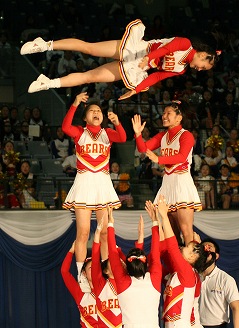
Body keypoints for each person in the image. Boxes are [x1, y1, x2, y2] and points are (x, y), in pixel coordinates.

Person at [20, 19, 220, 97]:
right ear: (203, 55)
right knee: (89, 49)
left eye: (203, 71)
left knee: (89, 77)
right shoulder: (185, 44)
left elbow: (156, 77)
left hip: (137, 67)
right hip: (136, 50)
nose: (200, 70)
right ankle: (44, 44)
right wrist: (149, 57)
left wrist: (136, 90)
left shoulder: (182, 69)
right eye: (203, 66)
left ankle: (48, 83)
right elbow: (167, 47)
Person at [61, 92, 126, 262]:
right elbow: (65, 127)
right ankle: (81, 273)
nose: (96, 112)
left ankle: (105, 269)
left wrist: (117, 123)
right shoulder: (79, 132)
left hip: (102, 183)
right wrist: (75, 102)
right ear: (85, 117)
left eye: (99, 110)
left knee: (104, 231)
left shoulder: (107, 133)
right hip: (84, 182)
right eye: (92, 110)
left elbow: (123, 137)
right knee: (82, 232)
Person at [132, 100, 201, 245]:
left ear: (179, 117)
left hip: (181, 183)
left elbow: (182, 157)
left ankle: (191, 267)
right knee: (171, 232)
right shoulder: (162, 136)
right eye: (163, 113)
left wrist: (158, 158)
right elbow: (142, 149)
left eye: (168, 113)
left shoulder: (186, 135)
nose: (164, 116)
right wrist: (138, 134)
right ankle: (175, 266)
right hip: (167, 184)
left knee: (186, 230)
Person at [157, 195, 214, 328]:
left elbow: (171, 247)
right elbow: (164, 253)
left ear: (192, 258)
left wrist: (164, 217)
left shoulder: (187, 273)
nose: (182, 247)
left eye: (186, 247)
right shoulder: (178, 274)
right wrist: (156, 222)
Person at [106, 202, 162, 327]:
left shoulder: (123, 281)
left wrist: (110, 223)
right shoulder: (154, 278)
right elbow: (155, 251)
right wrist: (154, 221)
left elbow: (112, 252)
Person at [199, 237, 239, 328]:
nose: (206, 249)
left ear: (216, 256)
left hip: (218, 326)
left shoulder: (225, 279)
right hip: (195, 325)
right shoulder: (194, 277)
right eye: (203, 248)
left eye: (209, 247)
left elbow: (236, 307)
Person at [91, 218, 122, 327]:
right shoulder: (100, 285)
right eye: (112, 263)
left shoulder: (125, 282)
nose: (115, 264)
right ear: (105, 270)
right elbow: (95, 262)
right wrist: (96, 236)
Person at [61, 242, 98, 327]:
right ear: (84, 273)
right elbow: (64, 272)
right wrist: (71, 252)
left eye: (97, 267)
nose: (94, 271)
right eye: (91, 268)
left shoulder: (107, 289)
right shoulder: (81, 294)